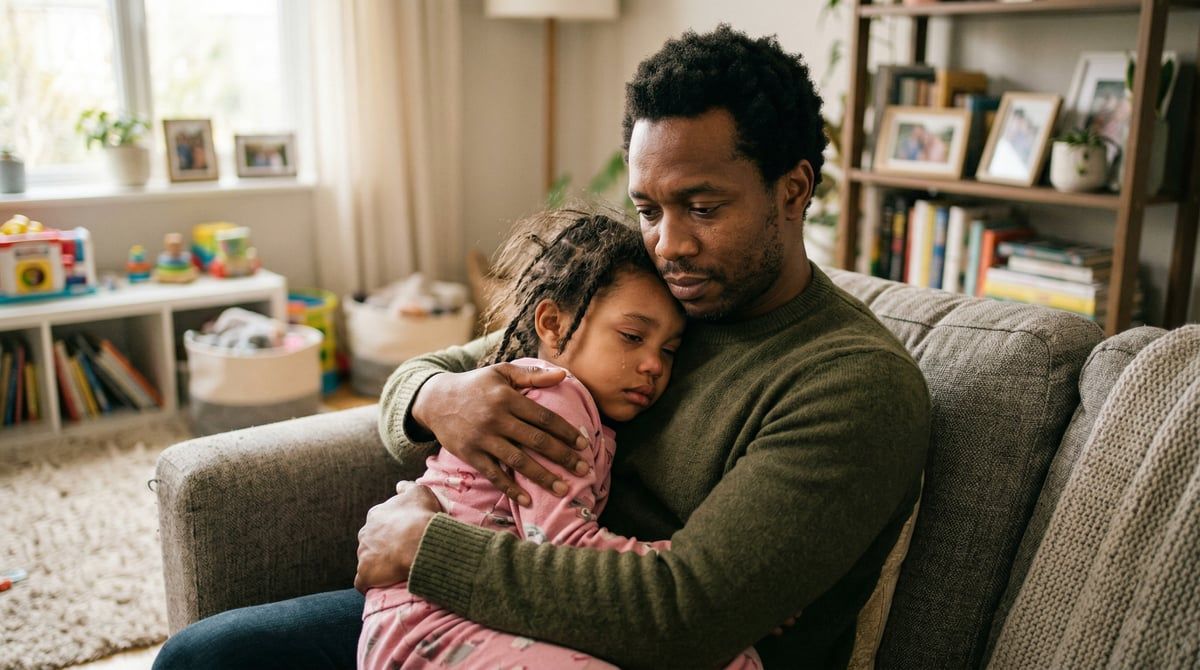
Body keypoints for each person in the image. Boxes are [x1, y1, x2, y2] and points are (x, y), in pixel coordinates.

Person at [154, 25, 930, 670]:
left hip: (634, 647)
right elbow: (432, 372)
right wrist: (440, 399)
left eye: (701, 207)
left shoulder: (851, 384)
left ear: (792, 191)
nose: (668, 244)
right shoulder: (665, 299)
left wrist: (425, 547)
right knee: (205, 658)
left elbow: (683, 617)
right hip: (491, 613)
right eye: (649, 210)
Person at [358, 209, 762, 669]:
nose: (654, 364)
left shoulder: (592, 400)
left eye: (669, 350)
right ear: (551, 324)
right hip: (435, 619)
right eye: (632, 337)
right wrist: (705, 574)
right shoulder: (553, 394)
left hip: (496, 610)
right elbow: (563, 546)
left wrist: (726, 599)